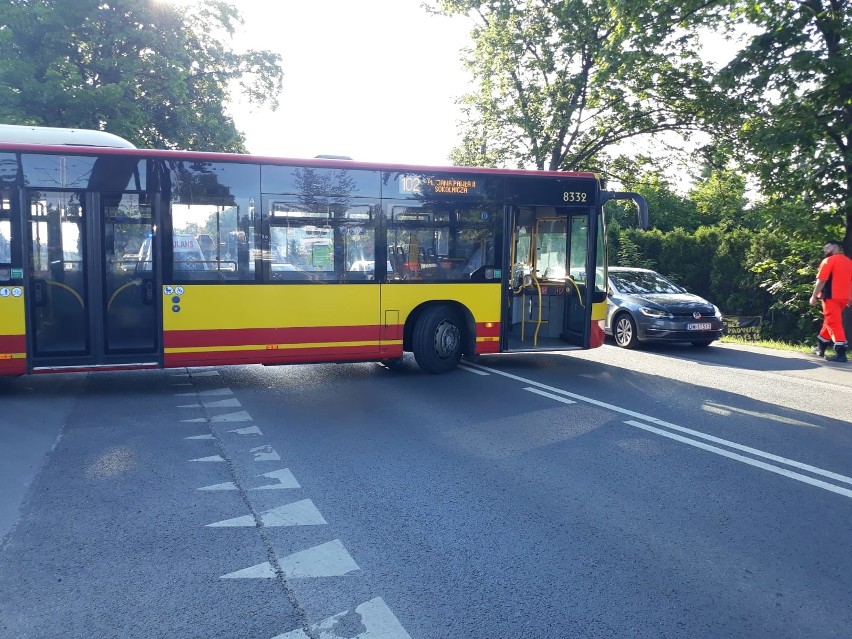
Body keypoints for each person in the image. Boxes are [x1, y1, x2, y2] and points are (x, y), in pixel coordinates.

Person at [809, 240, 852, 362]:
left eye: (828, 247)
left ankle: (841, 352)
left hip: (831, 296)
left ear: (838, 247)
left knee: (833, 323)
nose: (825, 250)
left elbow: (821, 280)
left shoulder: (828, 261)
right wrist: (850, 298)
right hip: (843, 298)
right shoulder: (849, 262)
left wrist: (814, 296)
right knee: (830, 321)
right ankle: (820, 346)